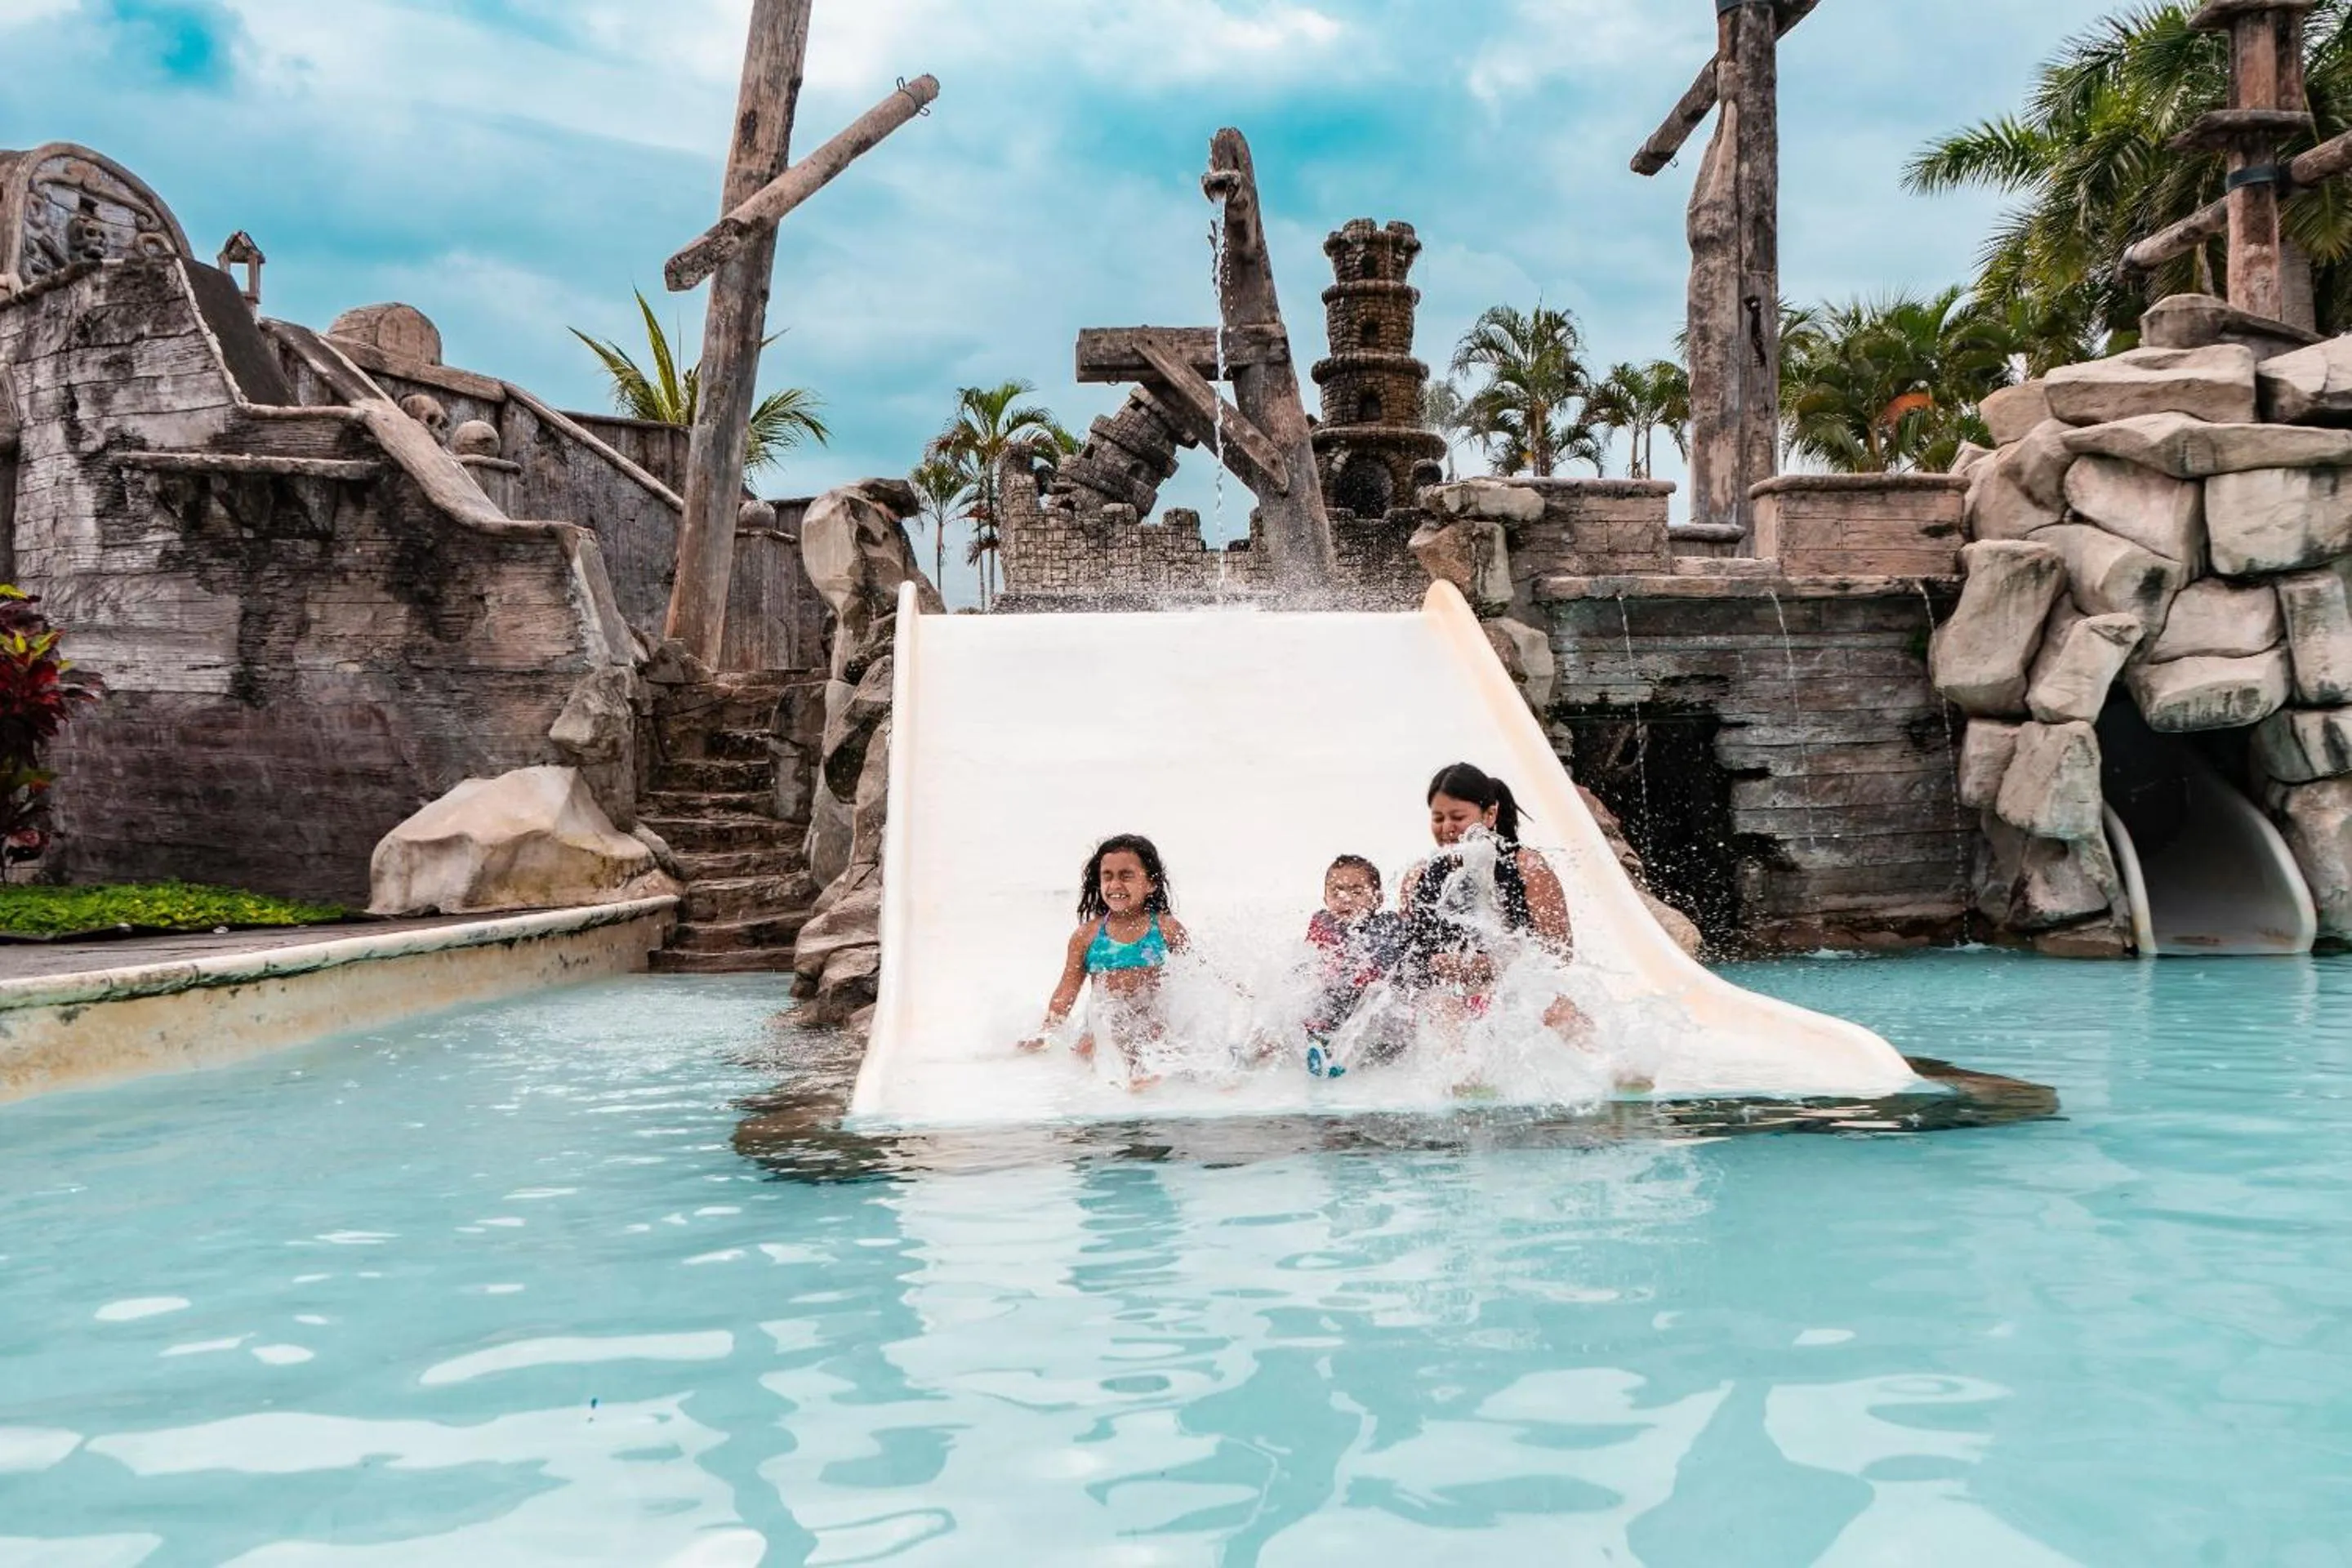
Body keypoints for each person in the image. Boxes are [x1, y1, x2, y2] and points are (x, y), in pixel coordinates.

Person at [1399, 763, 1588, 1041]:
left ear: (1490, 815)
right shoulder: (1418, 876)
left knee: (1560, 1011)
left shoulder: (1527, 867)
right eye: (1438, 818)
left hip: (1513, 991)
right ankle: (1467, 1080)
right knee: (1445, 1012)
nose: (1447, 828)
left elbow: (1559, 952)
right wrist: (1442, 966)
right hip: (1447, 997)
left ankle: (1616, 1072)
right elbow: (1405, 956)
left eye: (1458, 817)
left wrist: (1494, 963)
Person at [1020, 834, 1190, 1089]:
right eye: (1107, 876)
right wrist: (1047, 1029)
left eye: (1126, 875)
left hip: (1151, 1023)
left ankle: (1145, 1077)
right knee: (1087, 1048)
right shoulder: (1087, 936)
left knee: (1157, 1041)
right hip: (1106, 1025)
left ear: (1151, 884)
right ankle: (1117, 1083)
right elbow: (1067, 989)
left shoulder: (1166, 929)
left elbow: (1197, 975)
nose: (1115, 884)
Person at [1302, 855, 1409, 1078]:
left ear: (1377, 899)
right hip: (1336, 1003)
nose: (1345, 899)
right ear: (1325, 898)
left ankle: (1340, 1060)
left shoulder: (1386, 924)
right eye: (1336, 892)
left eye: (1357, 892)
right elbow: (1309, 962)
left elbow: (1384, 966)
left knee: (1377, 995)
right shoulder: (1322, 922)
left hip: (1373, 1009)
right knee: (1308, 996)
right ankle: (1259, 1050)